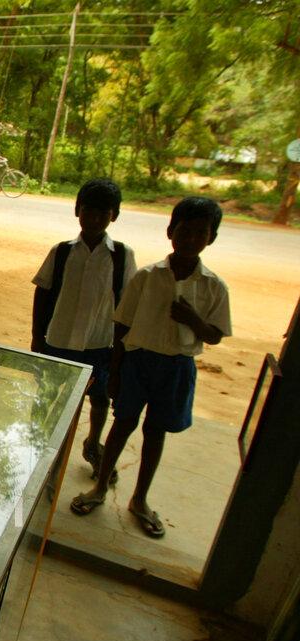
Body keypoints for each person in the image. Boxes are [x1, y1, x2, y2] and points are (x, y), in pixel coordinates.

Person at [70, 197, 231, 538]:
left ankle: (140, 498)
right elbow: (122, 326)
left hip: (177, 367)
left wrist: (194, 321)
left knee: (155, 433)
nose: (190, 239)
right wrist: (115, 372)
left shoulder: (214, 286)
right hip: (137, 362)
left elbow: (215, 334)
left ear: (211, 238)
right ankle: (100, 487)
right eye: (184, 231)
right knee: (122, 424)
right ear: (171, 231)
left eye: (200, 233)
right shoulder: (146, 277)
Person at [31, 178, 137, 479]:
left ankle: (92, 443)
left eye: (103, 213)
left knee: (100, 397)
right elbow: (42, 291)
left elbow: (127, 304)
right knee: (48, 392)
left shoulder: (122, 256)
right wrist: (38, 337)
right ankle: (36, 443)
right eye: (88, 211)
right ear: (77, 210)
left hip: (99, 344)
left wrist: (121, 349)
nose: (94, 219)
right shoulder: (62, 251)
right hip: (59, 340)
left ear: (113, 216)